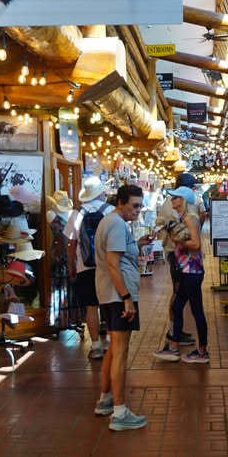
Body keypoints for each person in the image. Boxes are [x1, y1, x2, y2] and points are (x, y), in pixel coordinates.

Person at [93, 184, 153, 431]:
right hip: (118, 295)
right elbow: (113, 264)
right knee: (121, 351)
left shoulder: (111, 222)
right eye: (134, 206)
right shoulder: (117, 224)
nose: (138, 210)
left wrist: (137, 243)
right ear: (120, 203)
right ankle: (119, 412)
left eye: (140, 205)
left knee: (113, 349)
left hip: (109, 293)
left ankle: (106, 399)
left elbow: (116, 255)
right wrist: (126, 297)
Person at [153, 186, 210, 363]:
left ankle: (202, 351)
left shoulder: (190, 218)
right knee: (177, 307)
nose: (172, 200)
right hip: (186, 270)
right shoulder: (182, 218)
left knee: (196, 309)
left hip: (192, 270)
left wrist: (178, 240)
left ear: (184, 200)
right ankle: (174, 346)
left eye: (176, 197)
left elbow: (196, 244)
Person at [65, 177, 114, 359]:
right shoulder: (110, 211)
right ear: (101, 193)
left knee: (91, 307)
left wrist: (71, 266)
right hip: (108, 266)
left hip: (84, 267)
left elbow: (71, 244)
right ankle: (108, 341)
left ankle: (95, 347)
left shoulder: (77, 213)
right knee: (109, 304)